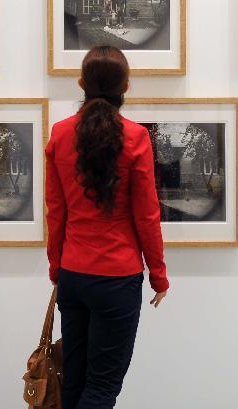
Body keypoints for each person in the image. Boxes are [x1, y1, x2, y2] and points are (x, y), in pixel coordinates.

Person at [46, 45, 169, 409]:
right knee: (101, 388)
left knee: (74, 382)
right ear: (126, 86)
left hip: (73, 274)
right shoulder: (135, 137)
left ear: (81, 83)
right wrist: (158, 275)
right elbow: (147, 214)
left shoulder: (60, 133)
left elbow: (56, 211)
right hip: (117, 278)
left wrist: (56, 267)